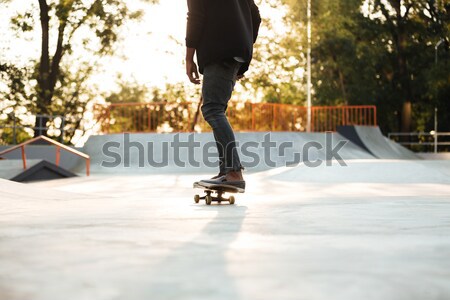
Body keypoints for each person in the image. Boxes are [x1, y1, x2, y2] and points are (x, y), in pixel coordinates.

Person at [185, 0, 261, 190]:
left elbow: (196, 17)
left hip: (219, 52)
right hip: (236, 52)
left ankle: (233, 172)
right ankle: (226, 171)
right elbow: (256, 16)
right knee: (217, 109)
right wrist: (242, 46)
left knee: (212, 109)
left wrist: (188, 58)